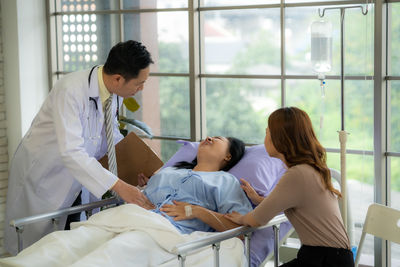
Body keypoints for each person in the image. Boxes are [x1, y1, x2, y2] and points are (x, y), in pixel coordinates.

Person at [4, 40, 155, 255]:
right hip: (45, 175)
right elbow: (71, 151)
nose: (141, 89)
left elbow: (110, 135)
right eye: (139, 83)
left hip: (76, 176)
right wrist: (120, 186)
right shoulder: (71, 90)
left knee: (68, 241)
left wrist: (137, 168)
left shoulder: (114, 94)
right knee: (32, 248)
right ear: (118, 78)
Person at [225, 107, 354, 267]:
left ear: (280, 139)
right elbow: (285, 203)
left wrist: (240, 218)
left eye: (267, 132)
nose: (265, 138)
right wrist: (258, 199)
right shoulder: (308, 169)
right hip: (330, 256)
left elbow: (256, 219)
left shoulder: (297, 174)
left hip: (325, 259)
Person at [139, 136, 253, 233]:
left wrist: (196, 211)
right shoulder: (170, 170)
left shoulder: (225, 181)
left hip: (170, 234)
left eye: (217, 138)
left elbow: (241, 230)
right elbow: (143, 197)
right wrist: (145, 185)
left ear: (228, 156)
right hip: (138, 218)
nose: (208, 138)